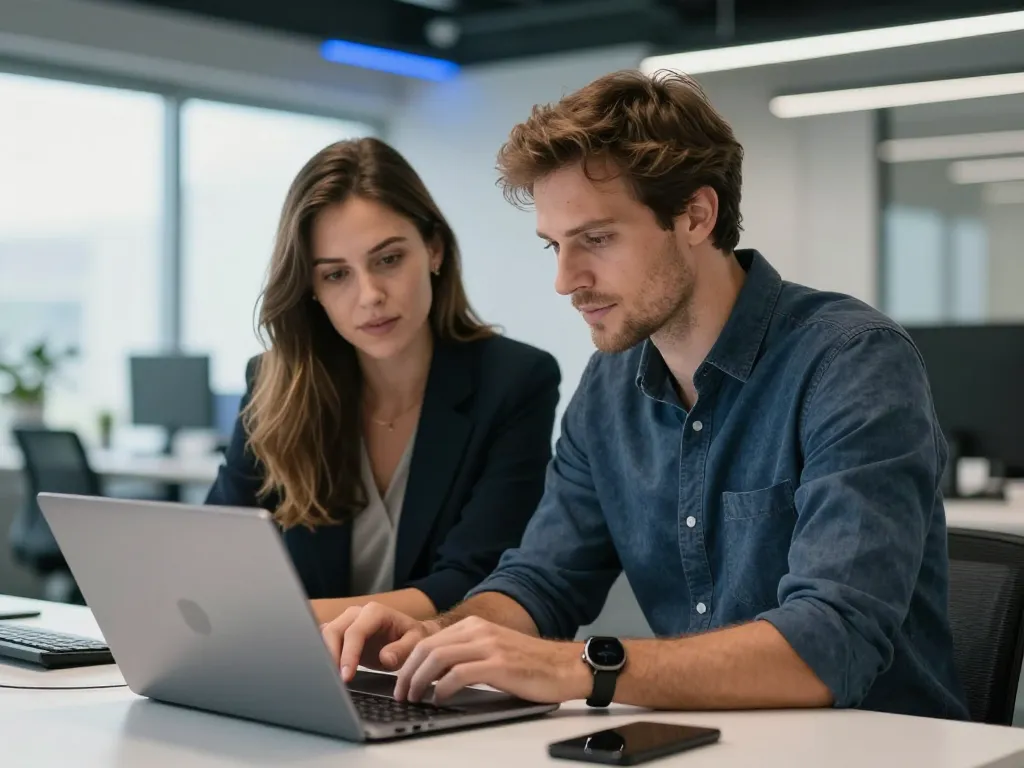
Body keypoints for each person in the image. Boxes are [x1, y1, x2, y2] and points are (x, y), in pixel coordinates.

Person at [321, 71, 970, 721]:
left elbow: (833, 642)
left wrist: (575, 667)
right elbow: (542, 581)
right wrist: (434, 638)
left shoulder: (851, 361)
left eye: (596, 239)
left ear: (695, 215)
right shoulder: (609, 386)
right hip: (709, 742)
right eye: (555, 245)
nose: (565, 280)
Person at [207, 137, 561, 626]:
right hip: (296, 665)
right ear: (312, 289)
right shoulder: (275, 384)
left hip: (437, 663)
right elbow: (217, 554)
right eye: (336, 275)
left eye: (388, 259)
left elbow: (477, 579)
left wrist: (293, 620)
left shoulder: (515, 381)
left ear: (434, 249)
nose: (370, 295)